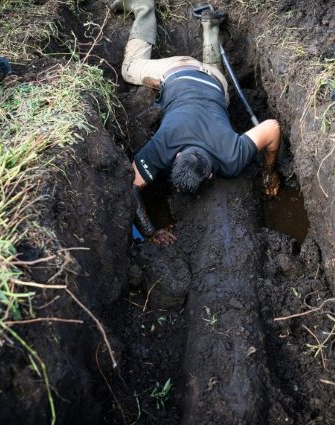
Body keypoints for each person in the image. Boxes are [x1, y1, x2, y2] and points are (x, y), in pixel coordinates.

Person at [113, 0, 281, 244]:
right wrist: (270, 171)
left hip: (204, 79)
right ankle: (187, 20)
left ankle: (166, 14)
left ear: (210, 175)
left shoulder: (225, 155)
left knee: (132, 70)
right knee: (135, 70)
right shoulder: (224, 155)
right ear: (210, 174)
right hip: (191, 75)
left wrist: (150, 231)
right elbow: (273, 127)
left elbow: (271, 128)